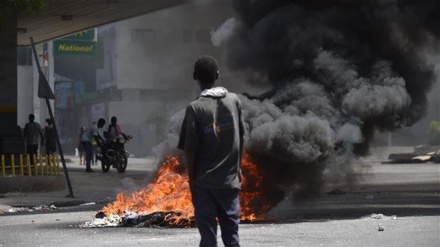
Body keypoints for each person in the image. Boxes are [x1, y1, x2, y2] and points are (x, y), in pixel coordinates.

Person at [178, 55, 245, 247]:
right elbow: (242, 137)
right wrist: (238, 168)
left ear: (194, 77)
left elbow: (190, 150)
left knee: (208, 238)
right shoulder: (234, 100)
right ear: (217, 75)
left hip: (204, 184)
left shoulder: (195, 108)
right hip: (230, 182)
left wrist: (192, 178)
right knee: (232, 237)